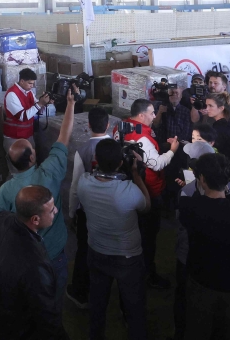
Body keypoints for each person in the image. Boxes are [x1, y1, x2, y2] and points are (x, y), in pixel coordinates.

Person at [0, 86, 77, 308]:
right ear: (32, 158)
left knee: (30, 305)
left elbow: (1, 226)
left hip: (23, 259)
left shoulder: (6, 191)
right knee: (54, 303)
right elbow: (64, 136)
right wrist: (70, 104)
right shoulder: (49, 172)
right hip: (54, 254)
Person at [0, 185, 69, 340]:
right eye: (51, 210)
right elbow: (47, 316)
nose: (55, 211)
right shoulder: (35, 265)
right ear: (35, 219)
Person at [77, 138, 150, 340]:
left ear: (95, 159)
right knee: (134, 307)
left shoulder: (83, 183)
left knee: (97, 304)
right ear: (120, 163)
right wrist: (135, 174)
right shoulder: (128, 190)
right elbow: (146, 205)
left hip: (97, 251)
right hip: (127, 257)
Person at [178, 153, 230, 340]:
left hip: (201, 281)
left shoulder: (189, 207)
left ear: (201, 178)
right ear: (228, 179)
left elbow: (198, 201)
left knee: (198, 329)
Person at [123, 98, 179, 289]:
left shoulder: (123, 126)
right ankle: (148, 274)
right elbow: (156, 163)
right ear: (141, 115)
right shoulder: (142, 137)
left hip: (130, 187)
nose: (154, 115)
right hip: (149, 190)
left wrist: (160, 146)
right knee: (148, 237)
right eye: (151, 112)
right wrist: (171, 151)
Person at [66, 107, 112, 309]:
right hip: (112, 208)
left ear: (88, 126)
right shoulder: (115, 147)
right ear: (109, 125)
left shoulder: (82, 150)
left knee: (84, 249)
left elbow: (75, 186)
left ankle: (80, 292)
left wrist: (72, 211)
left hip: (87, 210)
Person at [3, 68, 53, 174]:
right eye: (30, 83)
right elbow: (23, 116)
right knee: (16, 172)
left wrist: (45, 103)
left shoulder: (28, 92)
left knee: (30, 168)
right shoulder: (12, 94)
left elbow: (36, 109)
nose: (32, 86)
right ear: (22, 81)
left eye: (33, 83)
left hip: (27, 135)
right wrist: (40, 104)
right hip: (14, 138)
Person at [193, 93, 230, 186]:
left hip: (221, 172)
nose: (207, 109)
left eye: (211, 106)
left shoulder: (219, 128)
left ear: (221, 108)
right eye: (206, 105)